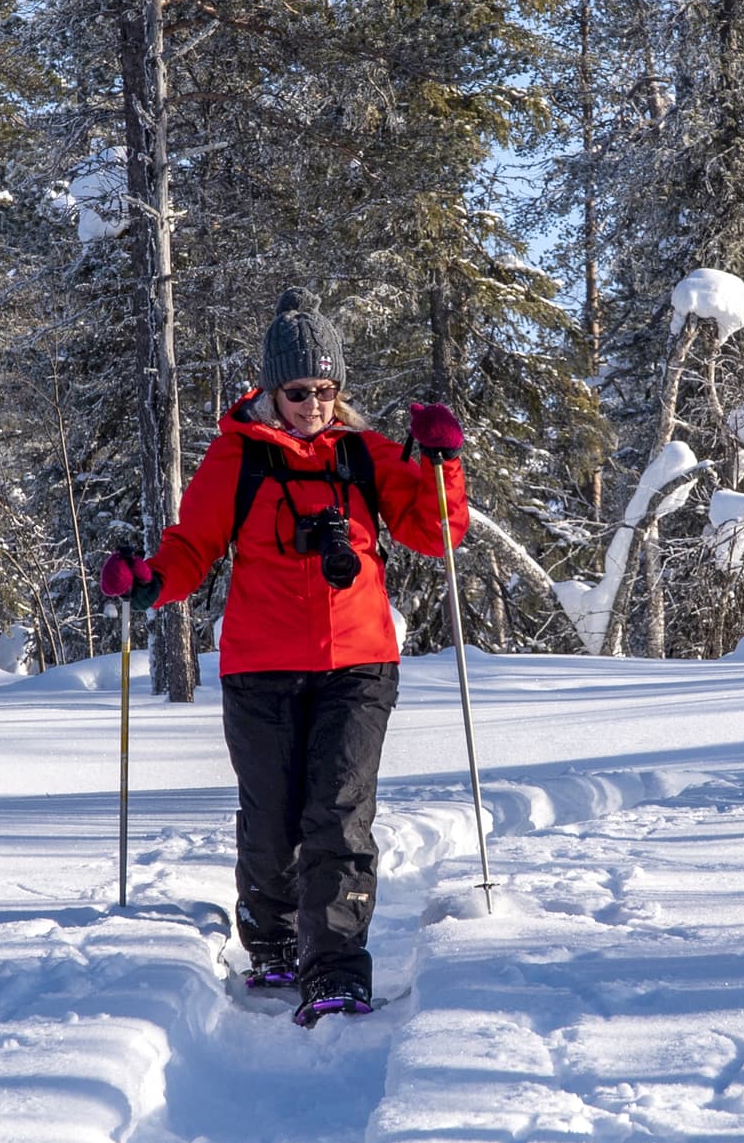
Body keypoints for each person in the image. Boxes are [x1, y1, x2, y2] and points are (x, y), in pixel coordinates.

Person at [100, 289, 468, 1026]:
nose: (314, 406)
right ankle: (271, 939)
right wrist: (149, 584)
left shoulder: (365, 454)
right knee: (271, 819)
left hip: (359, 663)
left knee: (338, 814)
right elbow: (192, 546)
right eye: (300, 392)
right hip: (259, 664)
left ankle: (333, 967)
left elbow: (437, 535)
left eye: (327, 392)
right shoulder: (238, 457)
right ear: (273, 389)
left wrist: (442, 462)